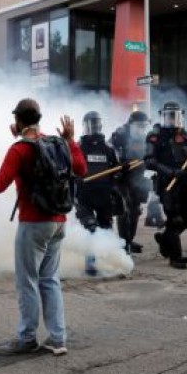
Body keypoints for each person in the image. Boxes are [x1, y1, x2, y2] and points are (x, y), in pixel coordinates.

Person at [0, 98, 87, 356]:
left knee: (28, 282)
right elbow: (80, 168)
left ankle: (26, 338)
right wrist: (71, 140)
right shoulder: (56, 143)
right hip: (58, 222)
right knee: (49, 280)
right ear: (38, 119)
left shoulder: (20, 149)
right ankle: (58, 339)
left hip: (33, 224)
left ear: (18, 121)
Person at [145, 101, 187, 269]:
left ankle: (165, 239)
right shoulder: (155, 135)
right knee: (175, 220)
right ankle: (175, 257)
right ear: (163, 116)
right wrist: (171, 172)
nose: (172, 120)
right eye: (169, 116)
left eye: (175, 116)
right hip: (169, 183)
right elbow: (149, 161)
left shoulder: (183, 134)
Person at [76, 111, 120, 276]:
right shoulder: (78, 147)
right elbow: (69, 168)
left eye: (97, 123)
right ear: (85, 125)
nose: (95, 126)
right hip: (84, 195)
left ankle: (112, 262)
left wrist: (118, 176)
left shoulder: (108, 148)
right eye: (91, 123)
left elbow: (116, 170)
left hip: (104, 195)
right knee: (90, 229)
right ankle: (90, 263)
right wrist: (76, 179)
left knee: (106, 229)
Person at [110, 110, 152, 251]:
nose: (141, 129)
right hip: (121, 179)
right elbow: (109, 154)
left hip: (137, 178)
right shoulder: (119, 136)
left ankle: (129, 240)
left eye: (144, 126)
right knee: (124, 209)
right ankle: (123, 243)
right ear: (131, 124)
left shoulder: (144, 138)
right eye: (139, 126)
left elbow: (148, 156)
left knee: (135, 210)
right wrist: (121, 162)